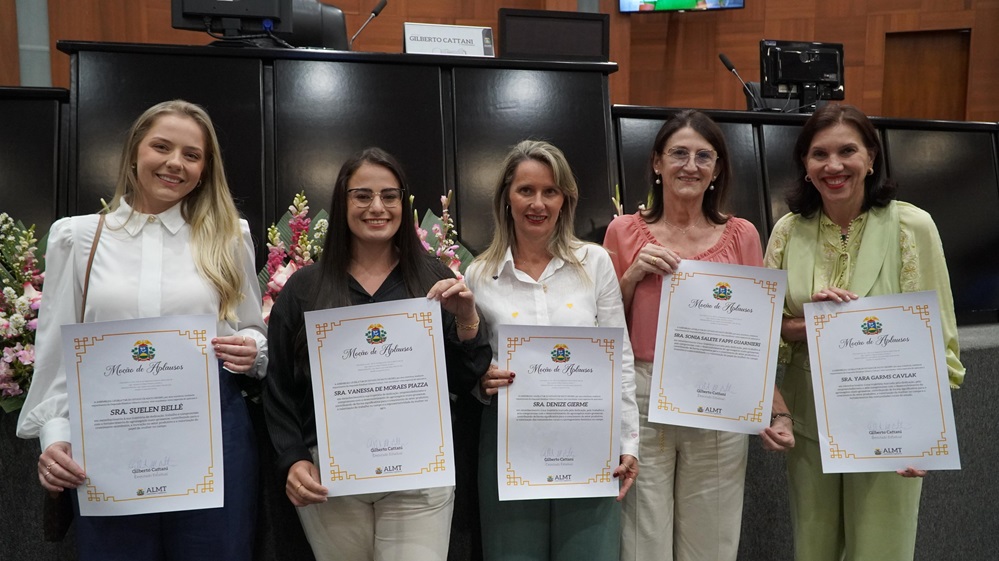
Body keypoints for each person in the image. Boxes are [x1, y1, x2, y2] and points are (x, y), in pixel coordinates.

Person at [16, 99, 266, 560]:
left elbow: (251, 327)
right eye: (162, 147)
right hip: (107, 442)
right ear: (134, 152)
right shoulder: (78, 238)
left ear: (205, 169)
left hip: (212, 437)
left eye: (192, 155)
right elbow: (54, 354)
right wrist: (55, 438)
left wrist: (251, 348)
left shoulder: (229, 236)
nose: (175, 163)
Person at [262, 147, 492, 561]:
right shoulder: (305, 289)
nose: (377, 207)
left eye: (389, 195)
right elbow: (278, 386)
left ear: (402, 202)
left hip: (420, 475)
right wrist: (292, 459)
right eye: (362, 195)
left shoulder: (433, 279)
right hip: (331, 478)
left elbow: (461, 380)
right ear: (342, 201)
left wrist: (467, 321)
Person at [764, 103, 965, 561]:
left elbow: (939, 335)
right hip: (808, 421)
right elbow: (762, 330)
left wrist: (923, 434)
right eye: (819, 154)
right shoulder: (787, 231)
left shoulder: (913, 225)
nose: (833, 166)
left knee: (882, 549)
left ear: (871, 157)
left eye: (847, 151)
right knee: (813, 549)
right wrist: (810, 320)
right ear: (805, 164)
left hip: (889, 424)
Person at [603, 109, 794, 561]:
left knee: (712, 538)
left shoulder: (743, 234)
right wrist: (630, 277)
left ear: (717, 169)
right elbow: (603, 327)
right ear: (656, 163)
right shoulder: (623, 231)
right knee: (640, 539)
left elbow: (757, 334)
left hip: (720, 397)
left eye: (704, 156)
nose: (691, 165)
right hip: (643, 394)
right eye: (679, 154)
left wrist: (775, 408)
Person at [467, 139, 640, 561]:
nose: (538, 203)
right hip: (509, 444)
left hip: (590, 440)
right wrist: (481, 381)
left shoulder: (595, 263)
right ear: (506, 197)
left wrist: (628, 440)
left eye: (550, 191)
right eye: (526, 190)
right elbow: (470, 362)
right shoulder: (478, 275)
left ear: (565, 199)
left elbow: (620, 357)